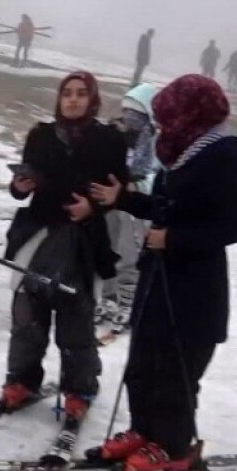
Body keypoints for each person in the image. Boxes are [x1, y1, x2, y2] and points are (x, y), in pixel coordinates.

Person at [86, 74, 237, 471]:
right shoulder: (183, 150)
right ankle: (144, 430)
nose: (161, 124)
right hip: (158, 275)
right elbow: (165, 206)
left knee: (176, 367)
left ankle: (174, 447)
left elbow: (235, 226)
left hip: (194, 288)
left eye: (168, 115)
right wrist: (122, 199)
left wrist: (174, 238)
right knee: (143, 359)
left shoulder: (221, 155)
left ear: (192, 112)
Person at [0, 71, 128, 421]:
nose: (72, 99)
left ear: (92, 99)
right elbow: (21, 184)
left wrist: (93, 207)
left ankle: (80, 388)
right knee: (27, 315)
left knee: (75, 320)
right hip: (39, 234)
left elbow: (118, 191)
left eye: (81, 93)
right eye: (67, 93)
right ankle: (22, 380)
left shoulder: (109, 140)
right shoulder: (40, 135)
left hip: (83, 240)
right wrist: (21, 186)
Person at [97, 82, 159, 327]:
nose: (129, 118)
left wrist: (139, 185)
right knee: (106, 250)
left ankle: (129, 302)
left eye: (136, 114)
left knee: (129, 254)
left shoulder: (156, 142)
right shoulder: (116, 135)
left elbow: (159, 173)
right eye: (126, 111)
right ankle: (108, 297)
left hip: (136, 205)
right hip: (111, 200)